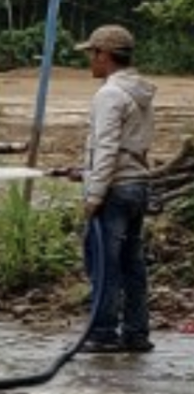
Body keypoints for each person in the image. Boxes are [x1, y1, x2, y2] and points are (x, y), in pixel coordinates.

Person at [65, 23, 156, 354]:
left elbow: (106, 148)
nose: (90, 61)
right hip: (136, 186)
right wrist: (84, 173)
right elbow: (129, 147)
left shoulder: (109, 94)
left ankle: (102, 333)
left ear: (104, 55)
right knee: (132, 263)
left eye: (92, 54)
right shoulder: (140, 91)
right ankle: (136, 333)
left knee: (104, 263)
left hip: (114, 190)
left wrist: (94, 195)